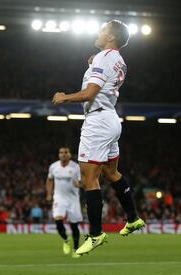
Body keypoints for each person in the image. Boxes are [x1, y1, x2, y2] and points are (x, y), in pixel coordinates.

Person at [52, 20, 145, 255]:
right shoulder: (118, 59)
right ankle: (133, 218)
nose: (98, 32)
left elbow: (90, 93)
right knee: (111, 173)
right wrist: (94, 63)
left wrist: (64, 97)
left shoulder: (105, 57)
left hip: (98, 122)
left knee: (88, 178)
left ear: (111, 37)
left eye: (103, 30)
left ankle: (95, 234)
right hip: (111, 119)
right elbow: (104, 81)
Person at [46, 147, 82, 258]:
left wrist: (79, 185)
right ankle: (66, 240)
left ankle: (76, 249)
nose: (63, 154)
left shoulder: (76, 167)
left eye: (66, 152)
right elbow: (49, 179)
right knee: (58, 221)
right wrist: (49, 193)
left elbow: (84, 183)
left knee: (74, 226)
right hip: (59, 198)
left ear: (70, 154)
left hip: (73, 200)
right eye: (61, 152)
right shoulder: (53, 166)